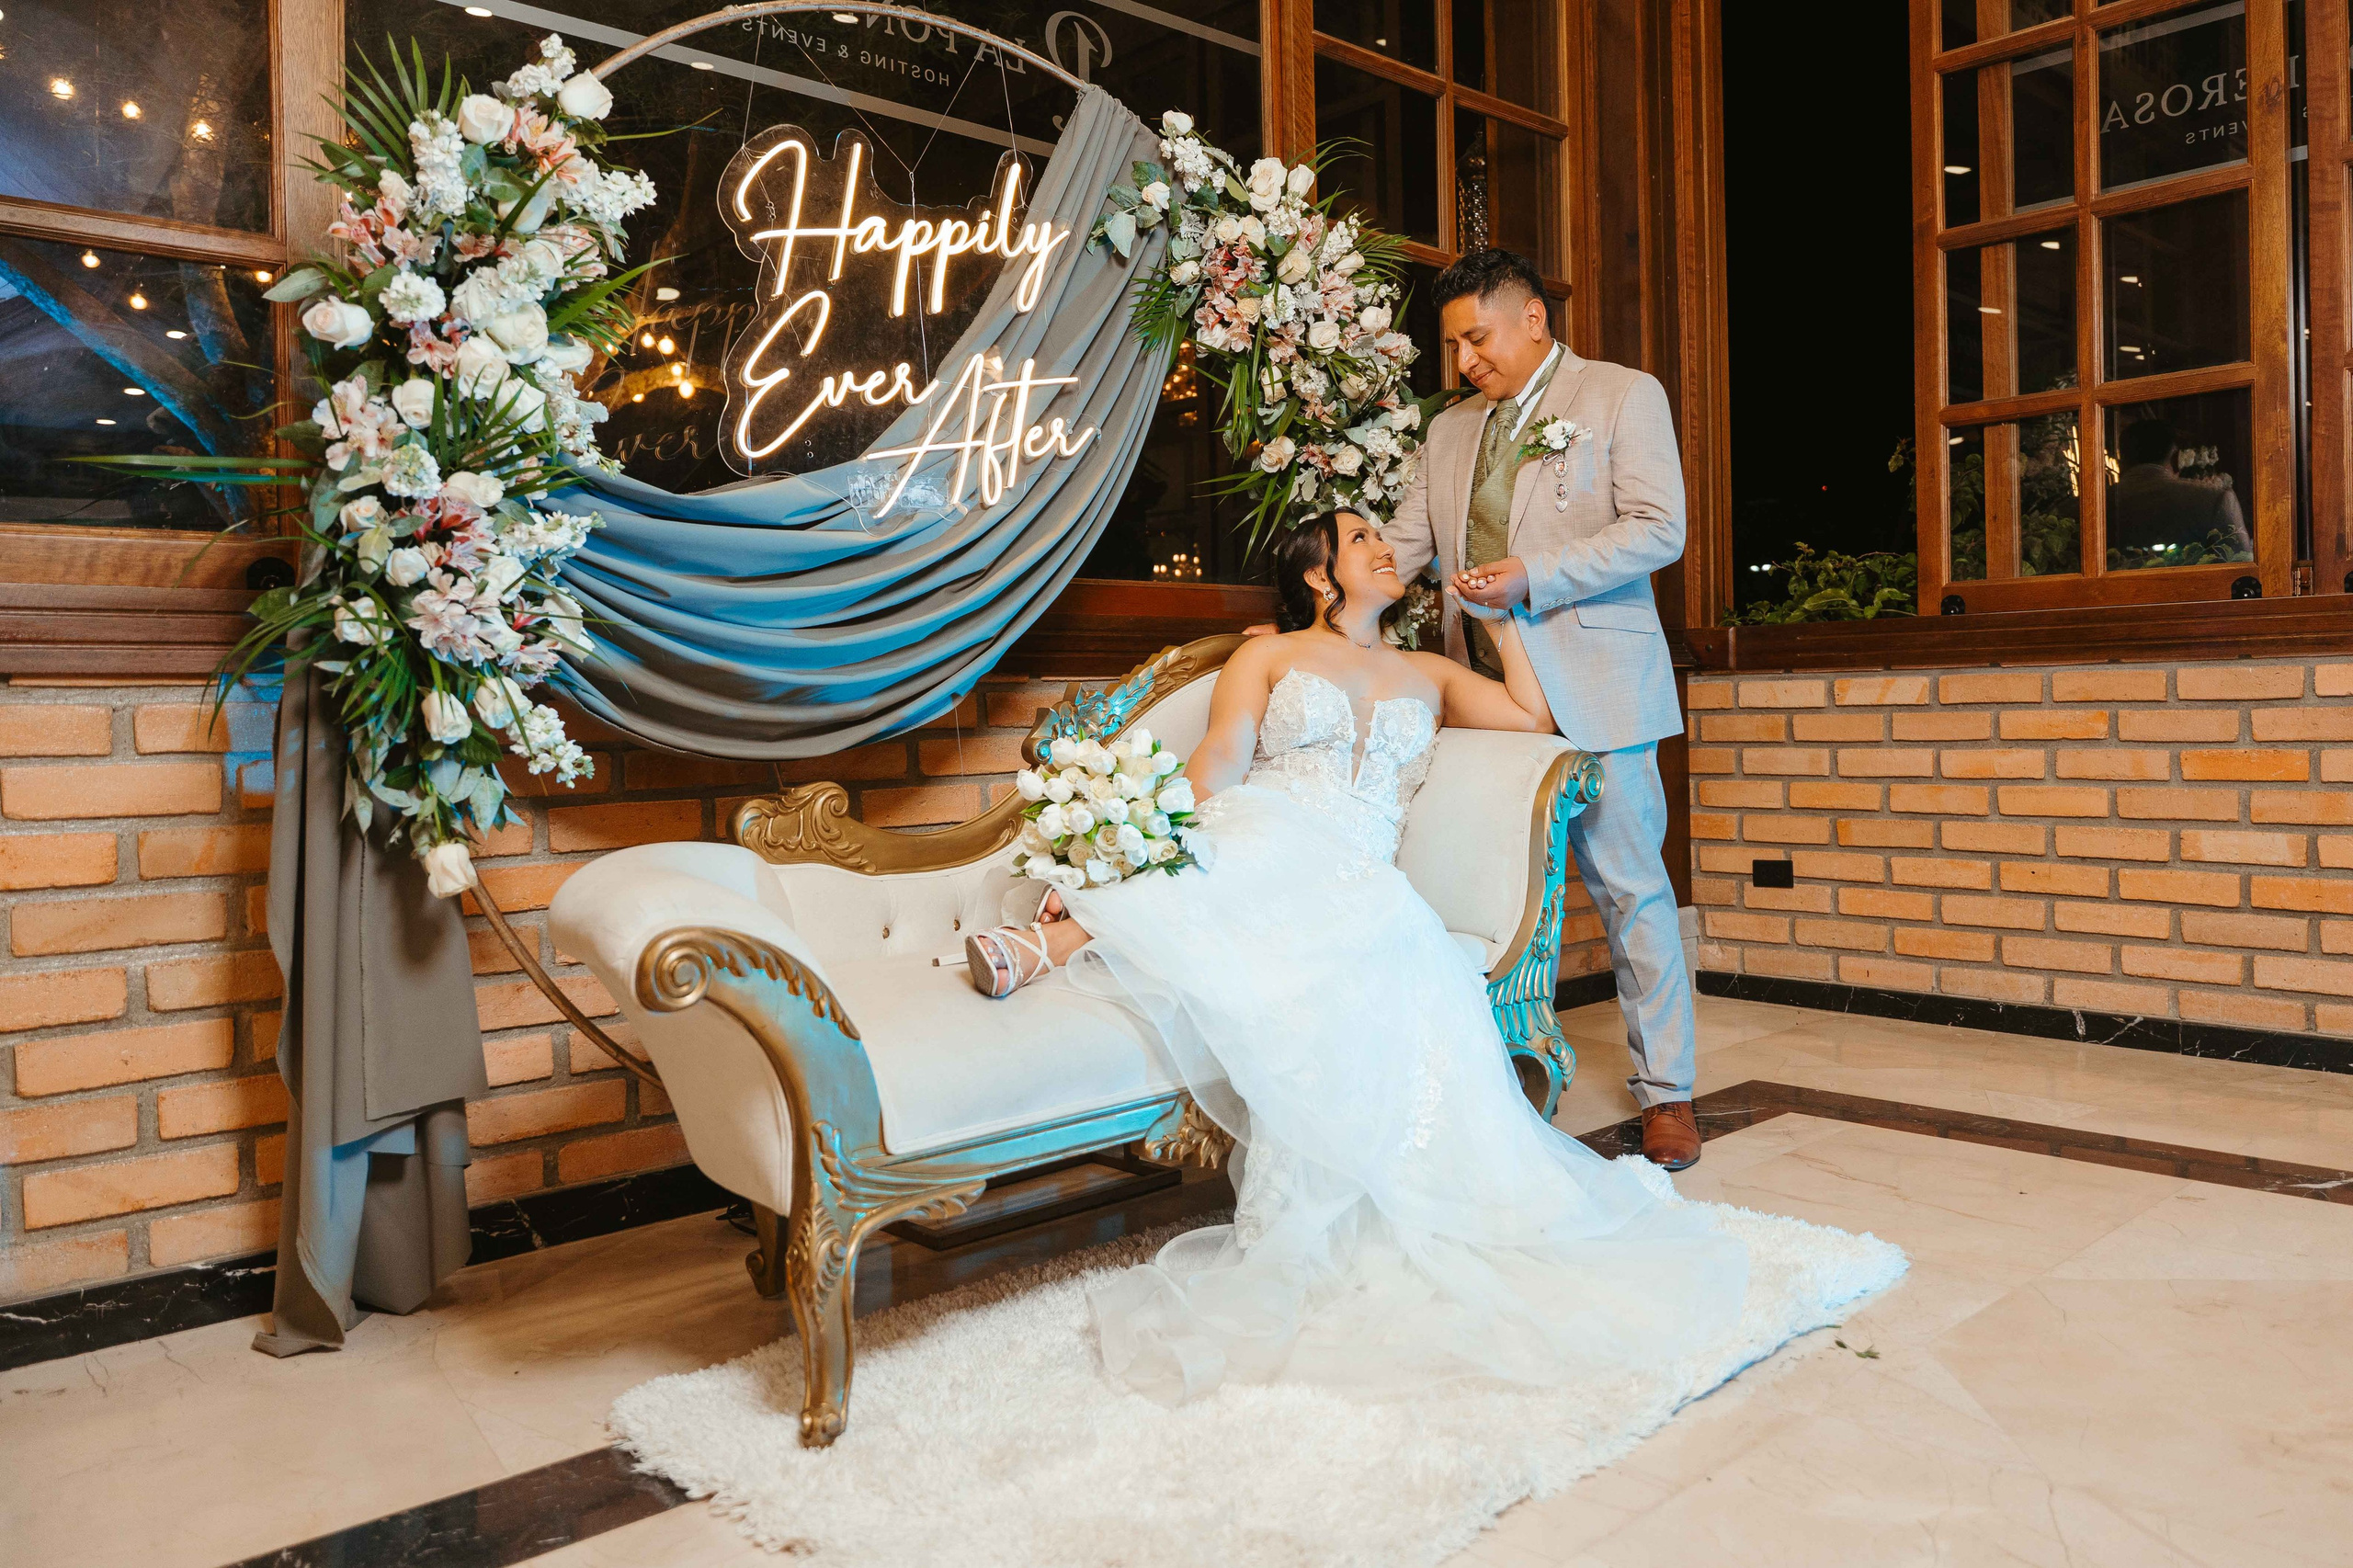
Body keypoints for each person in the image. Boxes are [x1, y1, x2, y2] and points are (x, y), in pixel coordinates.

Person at [959, 511, 1898, 1407]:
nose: (1383, 546)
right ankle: (1045, 940)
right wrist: (1143, 842)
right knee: (1243, 848)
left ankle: (1056, 940)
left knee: (1364, 925)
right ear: (1317, 573)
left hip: (1357, 871)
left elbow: (1531, 718)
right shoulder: (1268, 653)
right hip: (1265, 823)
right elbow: (1219, 758)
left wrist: (1503, 619)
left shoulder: (1426, 670)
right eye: (1360, 537)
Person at [1385, 247, 1704, 1171]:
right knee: (1480, 891)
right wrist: (1312, 621)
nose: (1462, 363)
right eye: (1450, 347)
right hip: (1481, 700)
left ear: (1531, 317)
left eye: (1475, 339)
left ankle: (1668, 1094)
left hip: (1594, 687)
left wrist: (1536, 575)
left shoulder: (1618, 395)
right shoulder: (1449, 430)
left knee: (1629, 888)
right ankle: (1484, 1081)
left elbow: (1659, 528)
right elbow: (1406, 543)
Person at [2107, 418, 2251, 562]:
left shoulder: (2097, 503)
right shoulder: (2215, 499)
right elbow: (2241, 568)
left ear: (2122, 458)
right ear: (2174, 456)